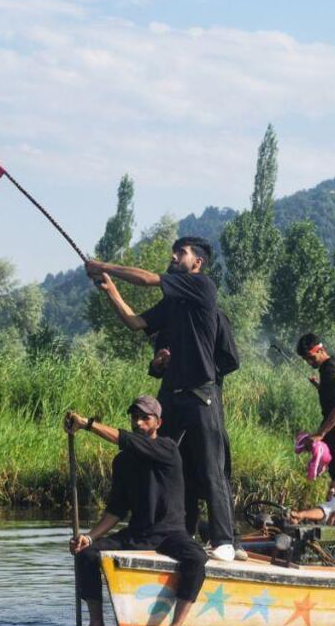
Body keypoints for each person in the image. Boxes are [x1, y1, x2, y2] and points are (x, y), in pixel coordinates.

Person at [86, 236, 240, 561]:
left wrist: (103, 265)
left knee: (211, 468)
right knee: (168, 465)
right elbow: (135, 322)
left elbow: (145, 279)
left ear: (196, 262)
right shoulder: (173, 302)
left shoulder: (202, 286)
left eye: (180, 253)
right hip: (171, 398)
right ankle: (178, 532)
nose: (173, 256)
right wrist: (111, 289)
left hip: (202, 395)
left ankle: (225, 541)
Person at [65, 396, 208, 626]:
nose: (138, 422)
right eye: (134, 417)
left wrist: (87, 425)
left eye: (145, 418)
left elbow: (125, 439)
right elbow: (116, 511)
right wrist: (89, 537)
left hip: (171, 534)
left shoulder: (167, 449)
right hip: (137, 534)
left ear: (158, 423)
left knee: (196, 559)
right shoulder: (122, 462)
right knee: (85, 554)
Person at [296, 333, 335, 493]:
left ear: (320, 349)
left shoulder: (328, 370)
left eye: (310, 357)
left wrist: (320, 434)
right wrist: (320, 387)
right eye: (305, 359)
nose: (309, 362)